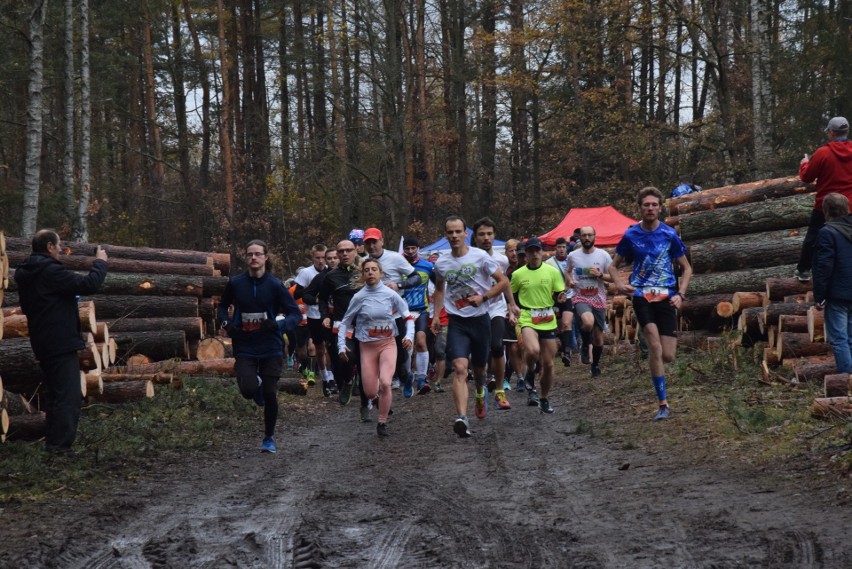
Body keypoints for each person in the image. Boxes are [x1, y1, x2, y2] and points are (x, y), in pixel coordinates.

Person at [14, 230, 109, 454]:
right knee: (68, 395)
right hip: (59, 342)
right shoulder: (50, 272)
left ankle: (54, 444)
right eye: (58, 245)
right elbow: (89, 284)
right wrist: (100, 263)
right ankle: (60, 448)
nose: (60, 249)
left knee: (55, 394)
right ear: (48, 246)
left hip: (42, 341)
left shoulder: (27, 273)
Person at [609, 187, 692, 421]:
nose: (651, 208)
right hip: (641, 296)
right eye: (646, 205)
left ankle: (656, 368)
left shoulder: (669, 234)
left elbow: (686, 268)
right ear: (640, 207)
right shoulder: (631, 235)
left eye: (654, 205)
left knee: (668, 355)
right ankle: (663, 403)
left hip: (666, 297)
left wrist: (681, 294)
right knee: (654, 347)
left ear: (660, 208)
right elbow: (612, 266)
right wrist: (618, 284)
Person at [217, 240, 302, 453]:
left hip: (271, 345)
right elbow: (222, 306)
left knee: (270, 394)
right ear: (246, 258)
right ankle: (256, 385)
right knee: (247, 390)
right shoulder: (236, 283)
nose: (253, 258)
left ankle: (269, 438)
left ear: (266, 257)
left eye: (258, 254)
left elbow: (295, 314)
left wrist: (279, 324)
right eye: (249, 255)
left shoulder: (275, 285)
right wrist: (226, 324)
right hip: (244, 343)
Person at [432, 215, 508, 437]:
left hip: (481, 319)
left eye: (458, 232)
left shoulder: (480, 257)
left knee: (479, 368)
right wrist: (436, 315)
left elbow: (503, 282)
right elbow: (439, 289)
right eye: (450, 232)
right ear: (445, 235)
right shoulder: (442, 263)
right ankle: (462, 418)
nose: (454, 236)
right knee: (459, 368)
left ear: (466, 234)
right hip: (457, 322)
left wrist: (484, 297)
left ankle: (479, 392)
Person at [337, 259, 415, 437]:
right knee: (371, 391)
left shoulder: (391, 294)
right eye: (367, 270)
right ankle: (380, 401)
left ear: (380, 273)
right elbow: (345, 323)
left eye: (374, 269)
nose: (370, 273)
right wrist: (341, 346)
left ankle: (382, 422)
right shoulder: (359, 297)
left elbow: (408, 317)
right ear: (363, 275)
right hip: (367, 346)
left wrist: (408, 336)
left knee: (386, 382)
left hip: (388, 344)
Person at [509, 238, 567, 413]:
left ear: (542, 252)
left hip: (548, 317)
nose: (534, 254)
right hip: (527, 317)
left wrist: (561, 298)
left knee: (549, 364)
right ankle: (530, 372)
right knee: (533, 351)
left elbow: (559, 293)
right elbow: (510, 295)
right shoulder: (518, 274)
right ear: (526, 254)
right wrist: (512, 311)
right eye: (531, 251)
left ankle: (544, 398)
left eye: (537, 250)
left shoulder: (552, 271)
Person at [363, 227, 421, 395]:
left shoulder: (395, 258)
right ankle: (387, 381)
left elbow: (416, 277)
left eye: (374, 242)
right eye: (368, 243)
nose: (372, 246)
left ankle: (406, 375)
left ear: (382, 241)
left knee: (401, 350)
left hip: (396, 312)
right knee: (379, 349)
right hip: (374, 316)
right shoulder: (364, 262)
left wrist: (399, 285)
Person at [795, 116, 852, 282]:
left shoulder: (823, 153)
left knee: (814, 237)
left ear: (832, 133)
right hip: (850, 205)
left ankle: (804, 271)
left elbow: (806, 177)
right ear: (846, 131)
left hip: (825, 206)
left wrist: (804, 163)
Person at [472, 217, 518, 410]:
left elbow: (504, 281)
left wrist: (512, 304)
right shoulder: (469, 258)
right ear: (474, 237)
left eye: (489, 234)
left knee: (498, 346)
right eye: (482, 234)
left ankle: (500, 390)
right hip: (475, 311)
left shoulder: (501, 259)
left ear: (494, 236)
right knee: (480, 356)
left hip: (496, 307)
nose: (486, 238)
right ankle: (480, 392)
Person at [812, 193, 852, 373]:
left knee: (839, 338)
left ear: (826, 210)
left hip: (838, 294)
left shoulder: (827, 232)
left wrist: (819, 296)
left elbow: (824, 267)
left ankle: (847, 379)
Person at [566, 226, 613, 377]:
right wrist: (570, 281)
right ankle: (586, 344)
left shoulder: (603, 255)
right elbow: (567, 272)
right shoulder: (573, 256)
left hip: (598, 297)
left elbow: (612, 277)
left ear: (594, 236)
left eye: (590, 235)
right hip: (580, 296)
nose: (587, 238)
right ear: (579, 237)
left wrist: (599, 275)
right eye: (584, 235)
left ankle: (595, 364)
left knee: (599, 339)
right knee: (587, 322)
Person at [401, 236, 435, 394]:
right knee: (406, 346)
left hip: (422, 309)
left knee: (421, 341)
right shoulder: (399, 265)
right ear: (403, 250)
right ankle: (407, 376)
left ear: (418, 249)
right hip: (403, 311)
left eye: (413, 248)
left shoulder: (428, 266)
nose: (410, 251)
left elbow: (440, 285)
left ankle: (422, 379)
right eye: (407, 249)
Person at [292, 244, 329, 385]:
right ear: (312, 257)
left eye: (323, 257)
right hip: (310, 315)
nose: (321, 261)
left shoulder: (331, 272)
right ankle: (304, 365)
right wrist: (311, 291)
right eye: (317, 258)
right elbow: (296, 294)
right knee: (303, 350)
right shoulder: (306, 273)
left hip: (326, 315)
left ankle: (326, 375)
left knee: (322, 347)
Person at [546, 236, 578, 366]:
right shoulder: (549, 263)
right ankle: (564, 348)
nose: (561, 250)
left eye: (563, 247)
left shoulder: (571, 260)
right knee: (559, 326)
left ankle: (567, 351)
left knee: (566, 323)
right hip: (555, 297)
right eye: (559, 247)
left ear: (566, 248)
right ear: (555, 249)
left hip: (569, 296)